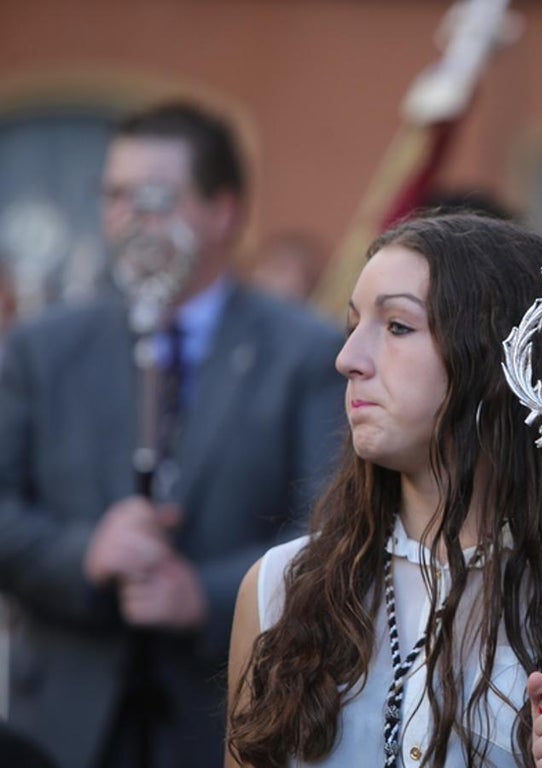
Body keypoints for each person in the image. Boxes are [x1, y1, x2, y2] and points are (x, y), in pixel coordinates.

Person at [226, 214, 542, 767]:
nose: (348, 358)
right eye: (353, 325)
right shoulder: (281, 588)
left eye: (397, 327)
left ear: (495, 359)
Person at [0, 101, 346, 768]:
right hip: (60, 728)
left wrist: (208, 595)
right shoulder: (41, 351)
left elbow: (327, 529)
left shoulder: (306, 353)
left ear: (222, 212)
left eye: (157, 198)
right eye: (116, 196)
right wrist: (83, 554)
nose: (131, 217)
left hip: (228, 717)